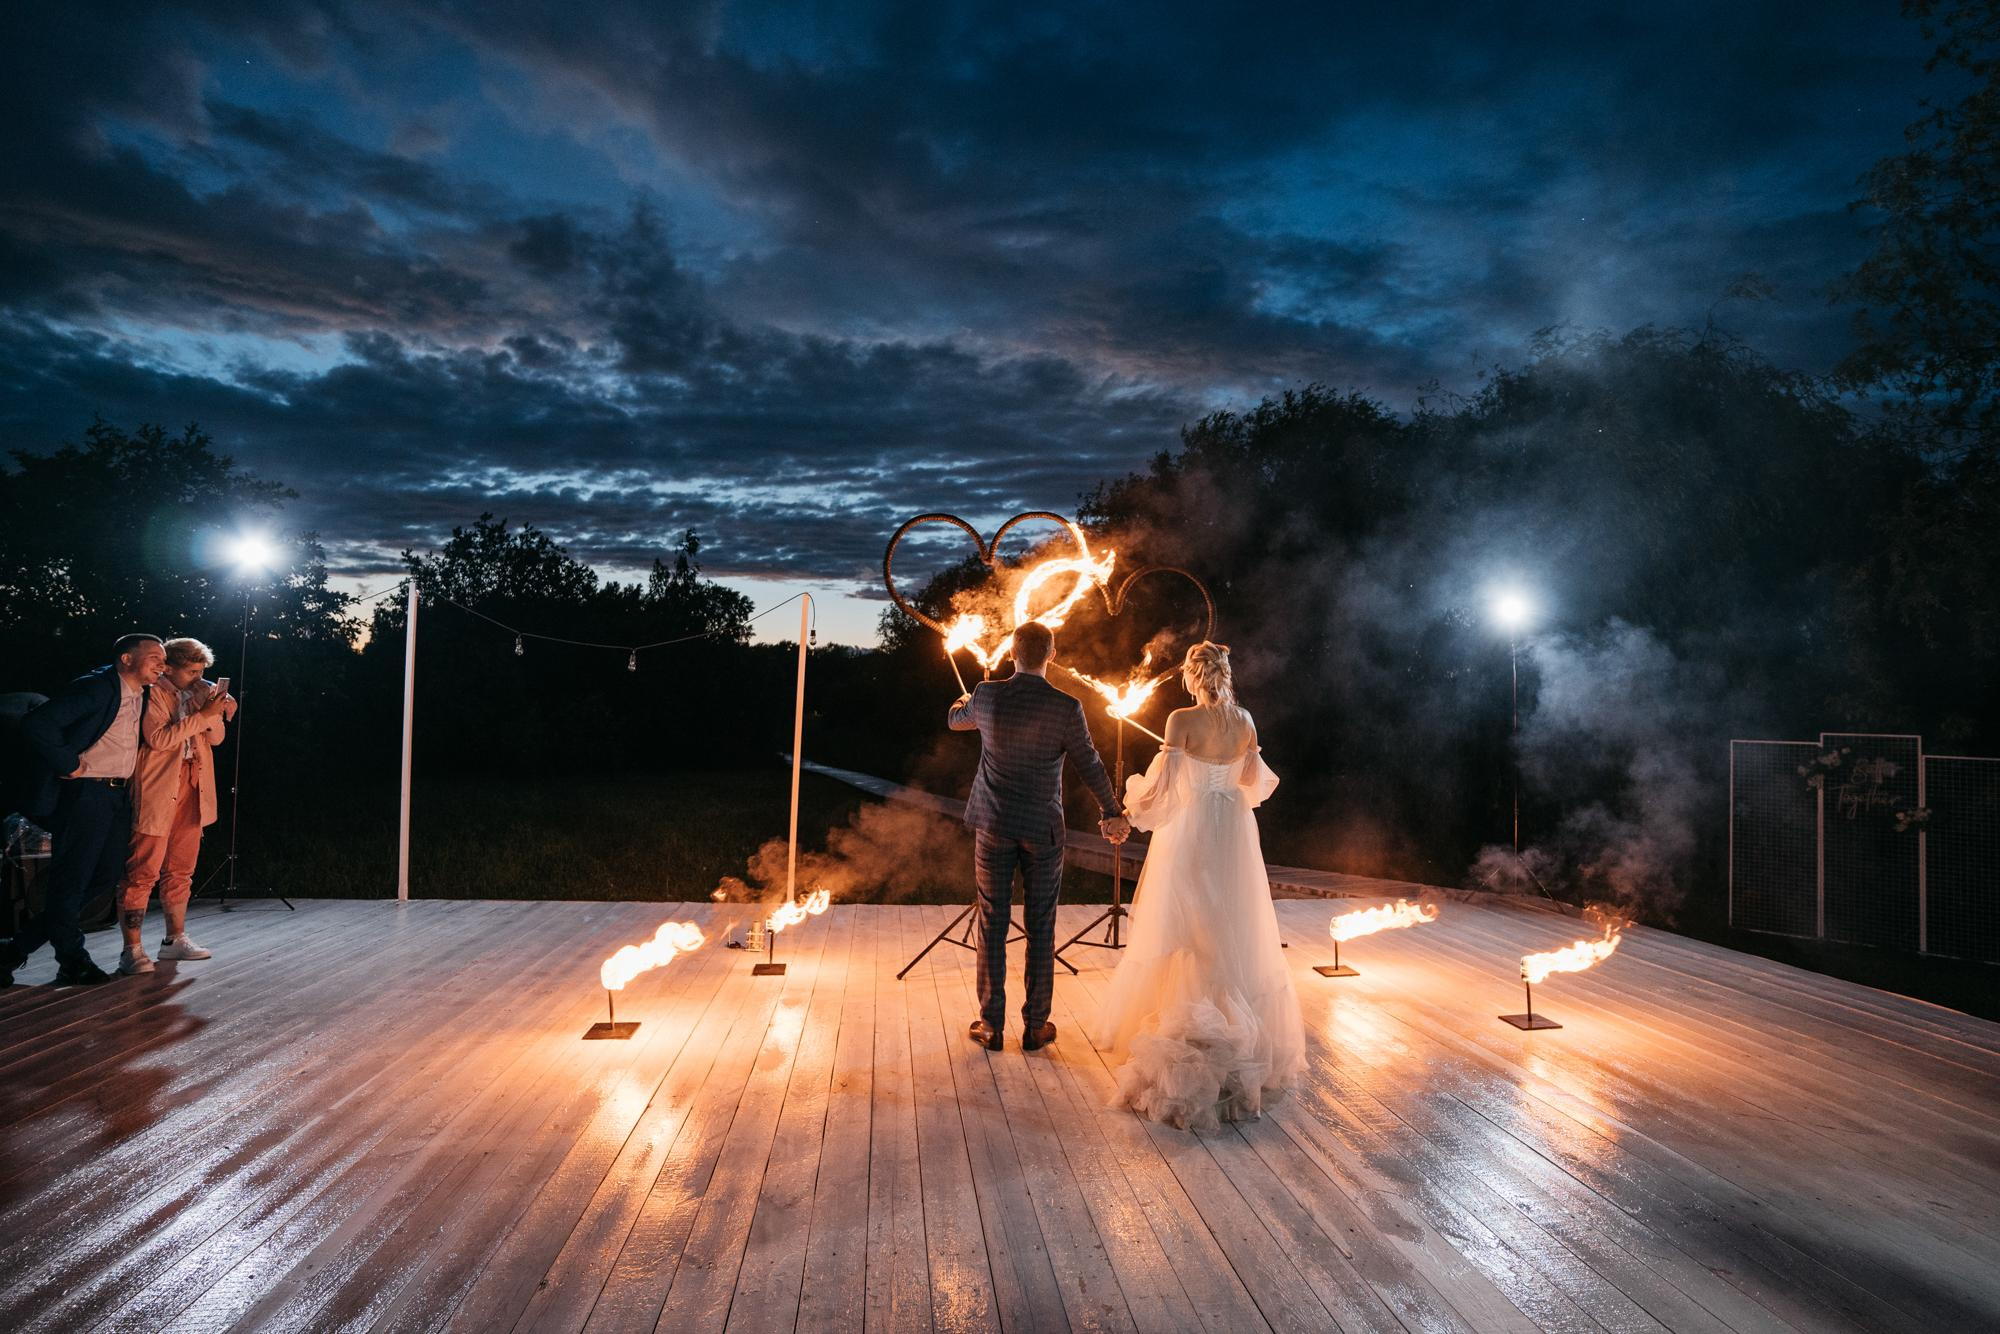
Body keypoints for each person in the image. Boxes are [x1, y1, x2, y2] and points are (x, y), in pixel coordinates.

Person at [1089, 641, 1305, 1132]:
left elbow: (1163, 789)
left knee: (1187, 921)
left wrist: (1126, 813)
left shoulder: (1181, 720)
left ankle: (1195, 1020)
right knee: (1232, 918)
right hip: (1233, 824)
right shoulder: (1246, 721)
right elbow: (1253, 784)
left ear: (1191, 675)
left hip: (1191, 830)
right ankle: (1238, 1017)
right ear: (1225, 674)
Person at [948, 620, 1130, 1052]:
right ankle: (1035, 1027)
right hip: (1043, 830)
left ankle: (991, 1027)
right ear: (1051, 654)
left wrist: (963, 701)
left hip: (993, 824)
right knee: (1041, 925)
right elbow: (1090, 763)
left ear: (1012, 653)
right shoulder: (1066, 707)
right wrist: (1111, 812)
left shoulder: (986, 694)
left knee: (992, 923)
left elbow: (956, 720)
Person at [1, 635, 168, 987]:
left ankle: (14, 949)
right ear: (126, 658)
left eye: (163, 659)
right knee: (72, 881)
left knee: (104, 878)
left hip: (116, 797)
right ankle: (72, 959)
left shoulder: (143, 691)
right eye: (154, 657)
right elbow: (38, 723)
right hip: (86, 794)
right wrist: (69, 762)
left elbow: (186, 678)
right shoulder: (97, 687)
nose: (161, 664)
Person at [116, 637, 235, 975]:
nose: (199, 678)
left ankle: (175, 939)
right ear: (169, 668)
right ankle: (131, 949)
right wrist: (204, 716)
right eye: (193, 672)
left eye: (202, 672)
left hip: (193, 784)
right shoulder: (152, 693)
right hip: (158, 787)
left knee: (181, 868)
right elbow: (160, 739)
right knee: (142, 870)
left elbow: (216, 739)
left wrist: (213, 711)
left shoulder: (197, 692)